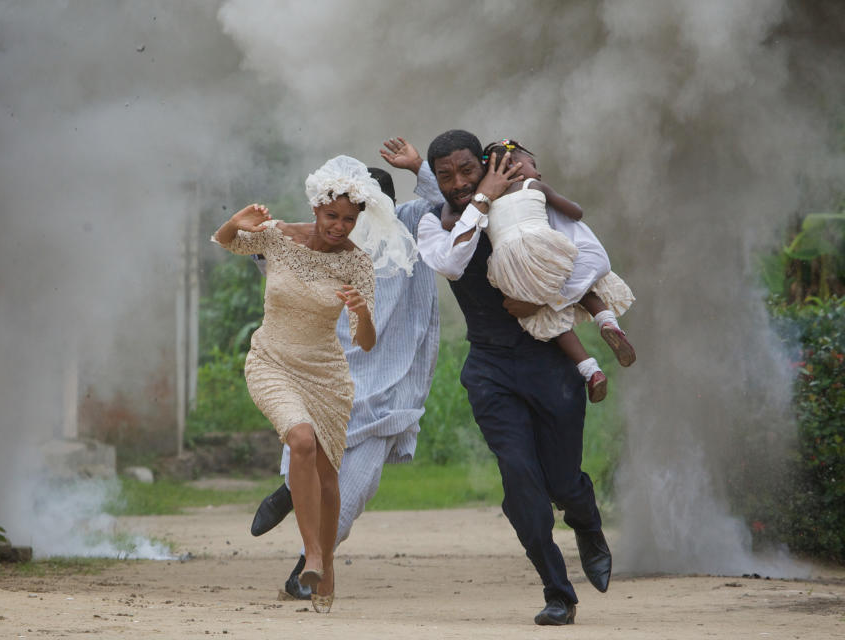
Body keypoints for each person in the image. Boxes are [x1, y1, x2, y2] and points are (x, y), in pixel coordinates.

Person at [415, 129, 612, 626]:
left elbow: (593, 260)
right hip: (490, 369)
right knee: (521, 481)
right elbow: (451, 263)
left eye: (466, 171)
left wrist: (544, 298)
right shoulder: (434, 223)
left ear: (485, 164)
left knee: (563, 483)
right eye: (445, 176)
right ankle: (557, 591)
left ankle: (586, 522)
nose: (457, 183)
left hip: (550, 362)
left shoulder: (529, 203)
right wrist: (480, 201)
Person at [212, 155, 416, 613]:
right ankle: (316, 555)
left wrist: (361, 312)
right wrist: (236, 221)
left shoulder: (357, 264)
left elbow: (365, 343)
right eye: (332, 216)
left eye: (349, 219)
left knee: (327, 474)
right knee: (300, 439)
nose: (339, 226)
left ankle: (326, 579)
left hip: (327, 376)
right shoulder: (280, 237)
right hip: (271, 362)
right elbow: (227, 242)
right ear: (316, 208)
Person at [249, 139, 443, 601]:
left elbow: (442, 203)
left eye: (363, 215)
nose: (348, 226)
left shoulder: (411, 226)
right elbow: (270, 260)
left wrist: (419, 166)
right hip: (324, 373)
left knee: (355, 486)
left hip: (391, 383)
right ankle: (287, 495)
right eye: (341, 216)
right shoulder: (322, 244)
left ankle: (307, 568)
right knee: (304, 455)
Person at [477, 138, 636, 402]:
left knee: (550, 316)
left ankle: (590, 370)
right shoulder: (533, 185)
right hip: (541, 244)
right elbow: (575, 212)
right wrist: (553, 201)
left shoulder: (486, 201)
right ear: (514, 165)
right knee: (577, 278)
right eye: (532, 164)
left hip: (508, 266)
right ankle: (608, 323)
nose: (537, 172)